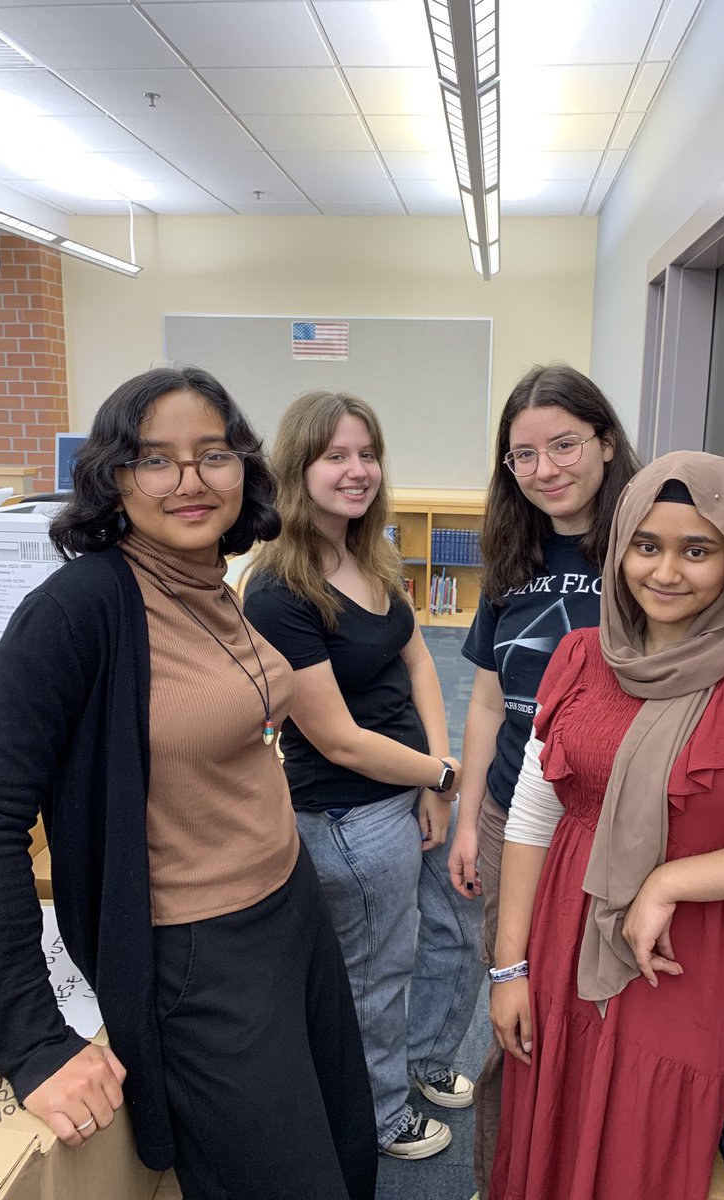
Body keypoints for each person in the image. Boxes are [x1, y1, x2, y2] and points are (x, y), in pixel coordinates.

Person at [0, 367, 377, 1200]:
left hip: (288, 907)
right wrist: (34, 1041)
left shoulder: (213, 581)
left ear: (245, 469)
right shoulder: (77, 612)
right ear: (114, 478)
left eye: (213, 455)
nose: (191, 481)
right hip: (196, 952)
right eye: (155, 459)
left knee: (345, 1146)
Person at [488, 451, 724, 1200]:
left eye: (697, 550)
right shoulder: (580, 656)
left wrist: (671, 880)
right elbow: (534, 815)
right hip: (562, 934)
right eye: (647, 546)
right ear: (621, 546)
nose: (666, 572)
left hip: (676, 957)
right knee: (550, 1121)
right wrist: (509, 970)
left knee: (642, 1144)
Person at [244, 390, 484, 1161]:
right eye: (335, 456)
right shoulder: (279, 588)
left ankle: (421, 1058)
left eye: (367, 453)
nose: (357, 471)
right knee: (377, 974)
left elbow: (418, 658)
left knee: (452, 931)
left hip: (412, 787)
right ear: (298, 467)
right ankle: (378, 1112)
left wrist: (434, 778)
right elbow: (338, 739)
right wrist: (442, 777)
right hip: (350, 816)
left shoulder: (369, 553)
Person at [446, 363, 640, 1198]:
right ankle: (514, 1162)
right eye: (522, 455)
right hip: (511, 813)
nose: (545, 469)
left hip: (612, 819)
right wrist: (465, 819)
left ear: (604, 441)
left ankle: (590, 1158)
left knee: (604, 999)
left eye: (563, 444)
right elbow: (487, 699)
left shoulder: (649, 547)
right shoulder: (513, 556)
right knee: (513, 988)